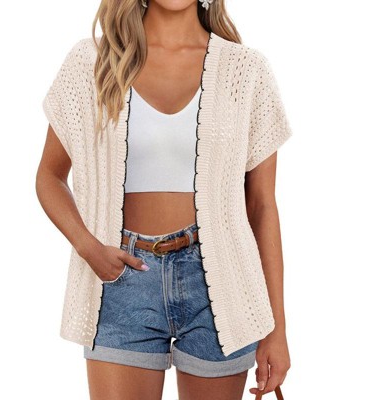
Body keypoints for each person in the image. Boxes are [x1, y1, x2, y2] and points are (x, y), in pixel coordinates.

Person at [36, 0, 292, 399]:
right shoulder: (93, 61)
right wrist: (90, 249)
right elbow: (49, 177)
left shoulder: (245, 69)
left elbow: (261, 206)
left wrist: (276, 330)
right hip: (120, 278)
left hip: (221, 287)